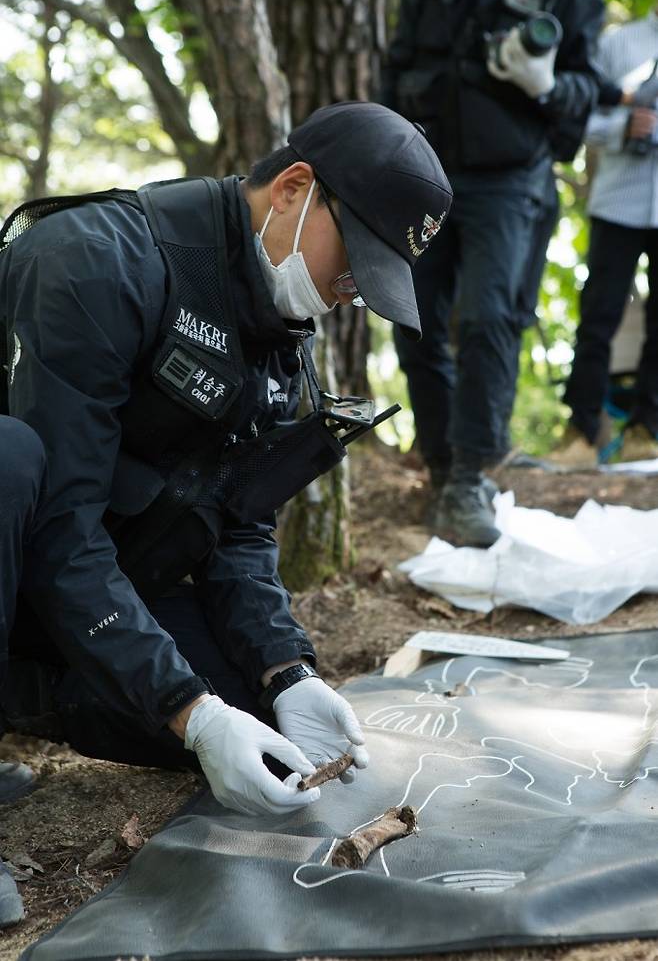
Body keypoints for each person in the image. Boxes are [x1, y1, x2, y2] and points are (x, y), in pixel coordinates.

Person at [0, 100, 453, 926]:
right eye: (352, 261)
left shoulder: (280, 332)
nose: (350, 295)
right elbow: (58, 524)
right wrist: (187, 710)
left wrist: (288, 672)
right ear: (292, 189)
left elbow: (238, 526)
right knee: (8, 458)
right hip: (30, 535)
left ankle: (27, 690)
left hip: (64, 586)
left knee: (262, 716)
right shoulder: (94, 262)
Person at [380, 0, 604, 546]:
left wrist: (548, 85)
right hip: (424, 170)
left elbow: (588, 89)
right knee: (412, 318)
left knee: (487, 318)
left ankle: (469, 478)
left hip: (510, 180)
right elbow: (396, 63)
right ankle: (440, 467)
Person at [550, 0, 658, 469]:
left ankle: (647, 430)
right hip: (617, 202)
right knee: (599, 315)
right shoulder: (618, 44)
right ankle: (580, 431)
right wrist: (624, 126)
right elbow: (579, 118)